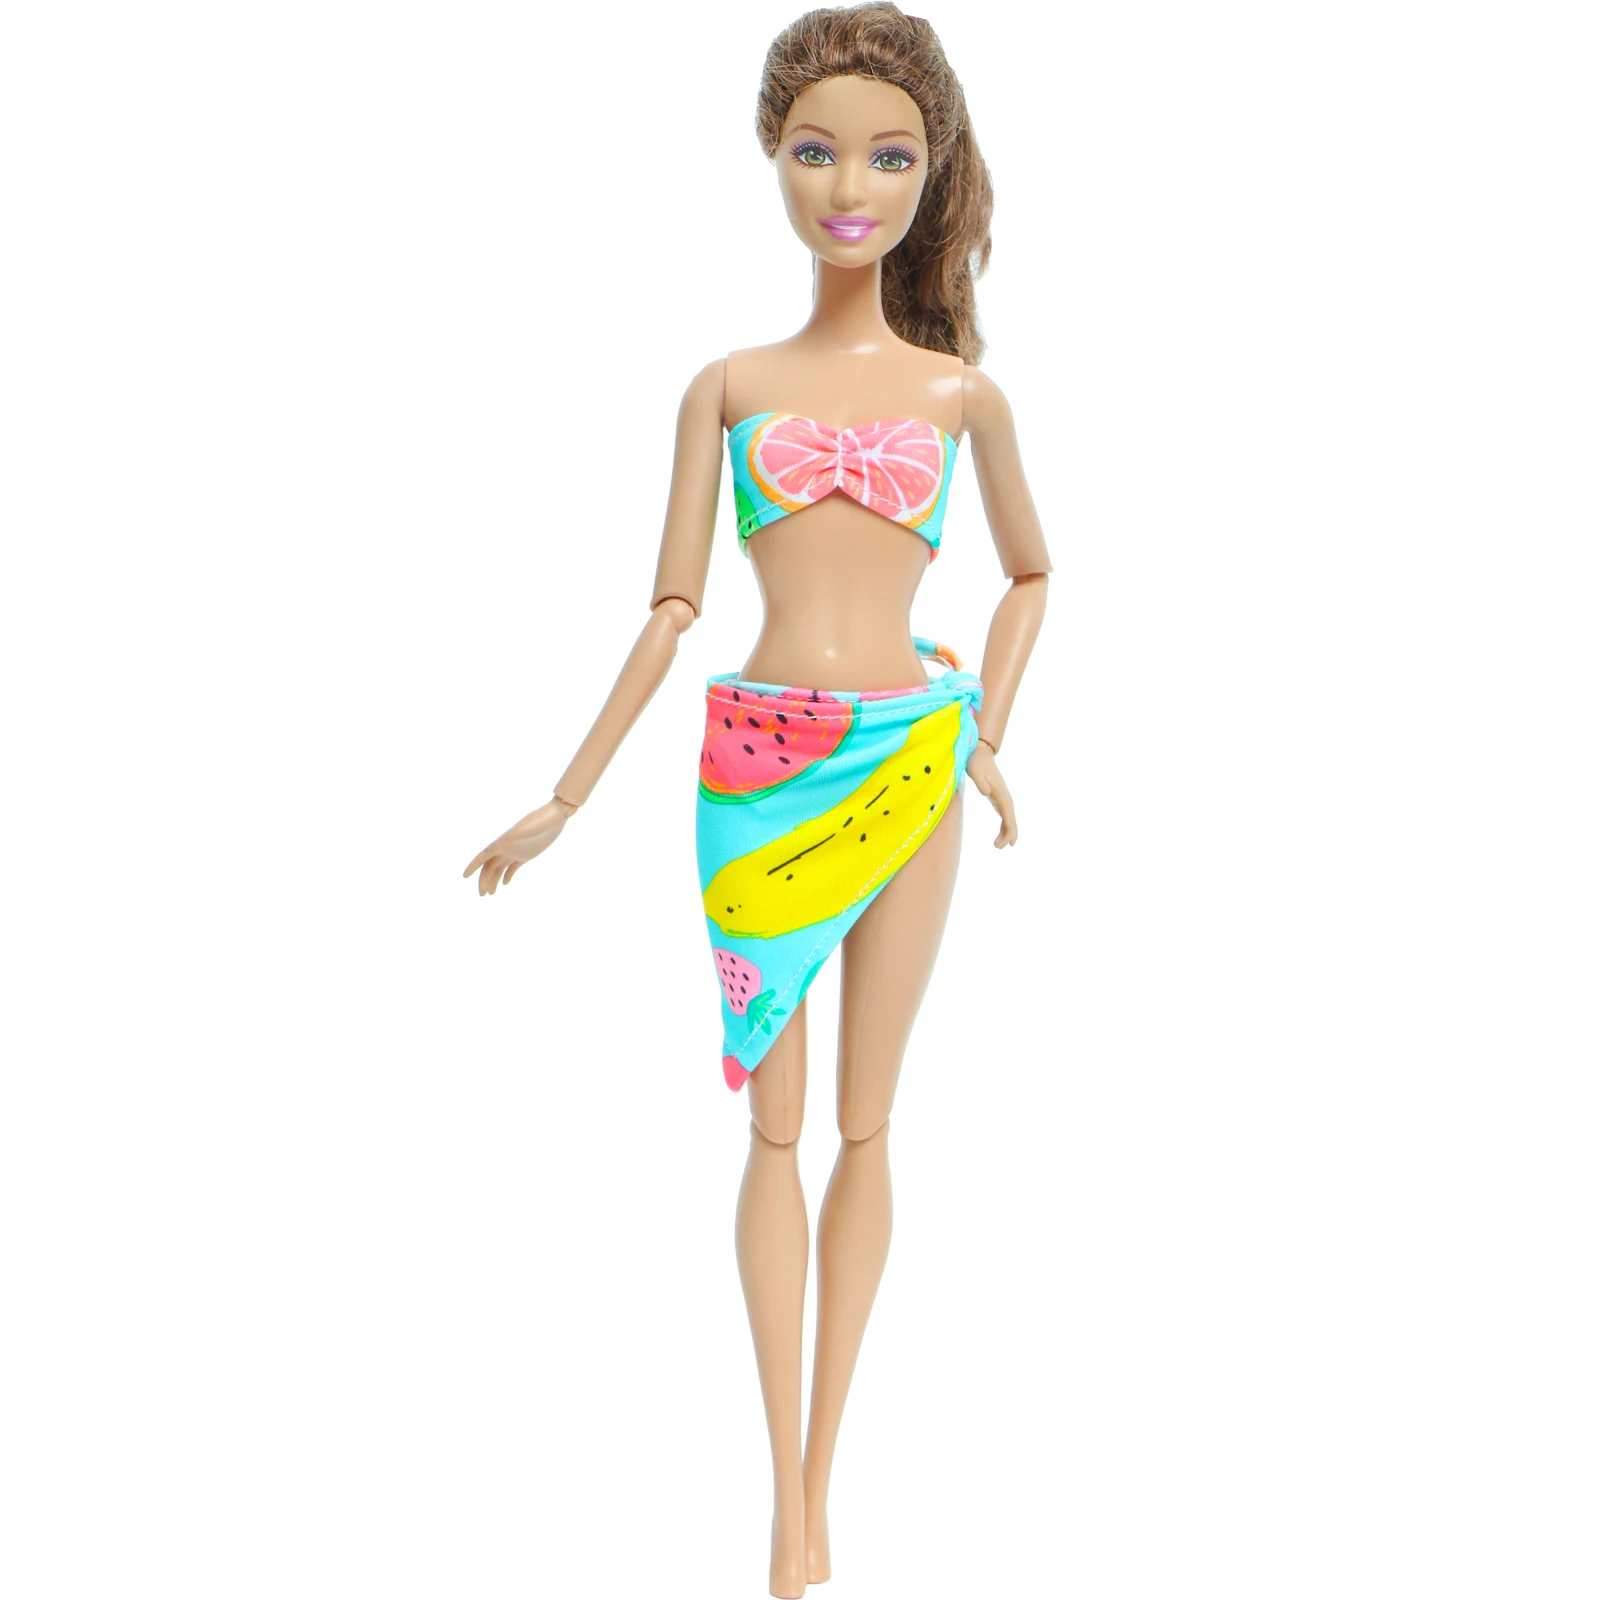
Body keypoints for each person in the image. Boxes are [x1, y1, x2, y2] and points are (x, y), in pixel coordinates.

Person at [464, 6, 1051, 1593]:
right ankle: (778, 1490)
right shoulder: (725, 386)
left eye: (888, 157)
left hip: (910, 763)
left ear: (932, 174)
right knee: (771, 1126)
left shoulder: (963, 398)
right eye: (815, 151)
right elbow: (669, 609)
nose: (848, 189)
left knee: (866, 1120)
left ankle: (817, 1493)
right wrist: (567, 795)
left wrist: (984, 734)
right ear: (772, 158)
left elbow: (1034, 575)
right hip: (754, 767)